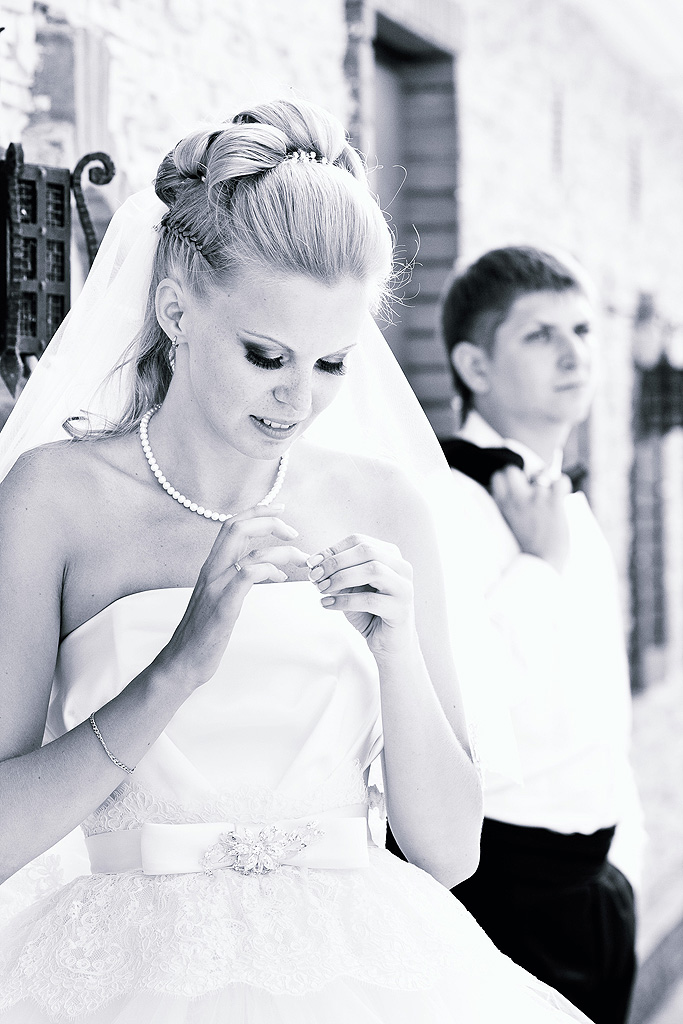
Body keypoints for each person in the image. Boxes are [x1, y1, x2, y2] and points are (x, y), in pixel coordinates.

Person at [0, 102, 590, 1023]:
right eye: (266, 355)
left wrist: (394, 648)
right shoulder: (56, 497)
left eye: (332, 364)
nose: (298, 399)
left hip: (367, 967)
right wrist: (178, 667)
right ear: (175, 310)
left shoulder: (384, 505)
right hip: (126, 974)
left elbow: (449, 853)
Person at [437, 246, 644, 1024]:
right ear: (474, 365)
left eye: (582, 330)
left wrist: (621, 866)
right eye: (538, 334)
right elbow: (465, 711)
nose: (572, 354)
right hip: (501, 897)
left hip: (593, 890)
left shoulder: (559, 501)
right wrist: (537, 567)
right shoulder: (443, 504)